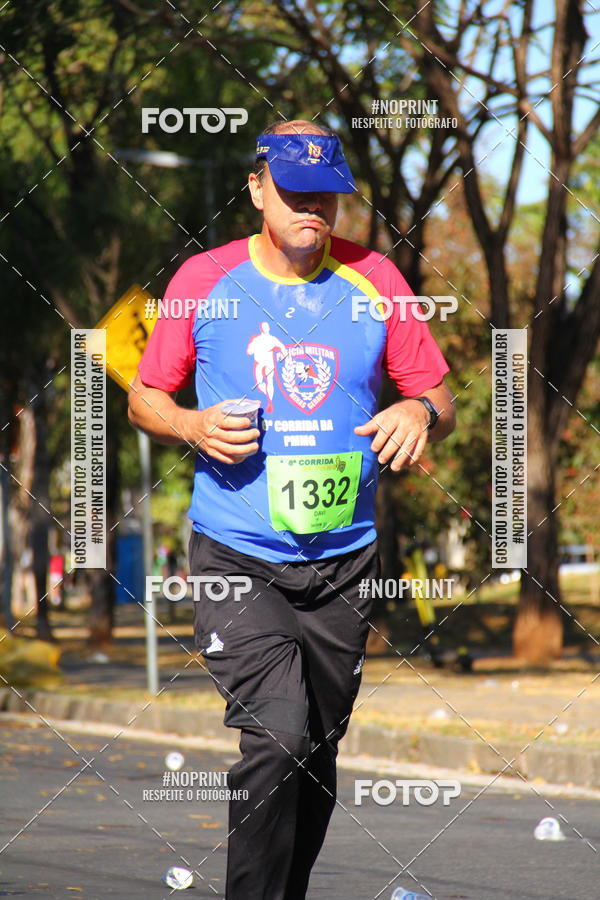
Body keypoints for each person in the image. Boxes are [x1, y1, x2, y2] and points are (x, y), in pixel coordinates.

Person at [128, 120, 455, 900]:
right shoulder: (202, 279)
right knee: (277, 733)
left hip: (344, 561)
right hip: (236, 555)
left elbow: (434, 390)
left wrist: (422, 417)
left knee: (317, 746)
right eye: (296, 192)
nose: (314, 207)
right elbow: (146, 396)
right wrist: (190, 424)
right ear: (257, 189)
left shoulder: (376, 277)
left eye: (328, 196)